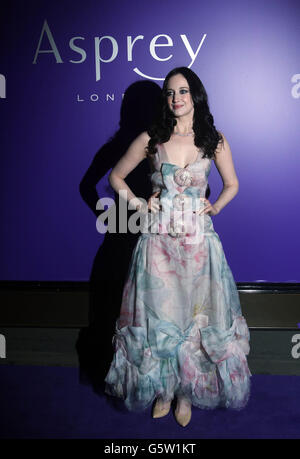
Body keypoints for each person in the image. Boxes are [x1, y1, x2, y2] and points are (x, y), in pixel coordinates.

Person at [104, 67, 251, 427]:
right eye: (170, 93)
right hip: (158, 245)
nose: (176, 99)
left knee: (195, 319)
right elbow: (115, 177)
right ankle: (164, 391)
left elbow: (232, 184)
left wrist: (214, 207)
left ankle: (185, 393)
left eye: (183, 91)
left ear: (195, 95)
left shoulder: (213, 139)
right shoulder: (151, 138)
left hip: (200, 246)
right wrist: (140, 204)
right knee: (161, 318)